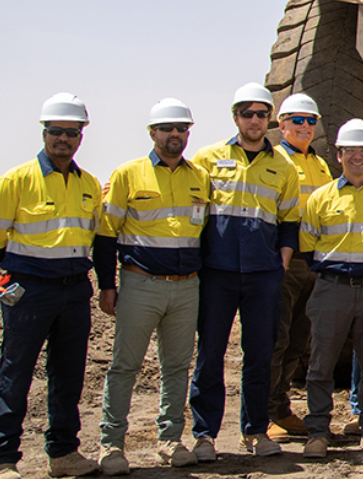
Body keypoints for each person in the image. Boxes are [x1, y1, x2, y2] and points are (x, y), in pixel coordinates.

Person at [0, 93, 104, 479]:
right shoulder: (15, 181)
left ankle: (63, 453)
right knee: (16, 372)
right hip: (30, 290)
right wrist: (28, 270)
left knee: (69, 375)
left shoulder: (89, 185)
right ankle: (2, 460)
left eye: (71, 132)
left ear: (81, 135)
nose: (63, 138)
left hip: (74, 290)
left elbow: (94, 237)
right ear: (44, 133)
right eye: (55, 131)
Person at [95, 99, 210, 474]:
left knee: (177, 367)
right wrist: (107, 286)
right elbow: (105, 235)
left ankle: (170, 439)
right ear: (152, 132)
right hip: (140, 284)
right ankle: (111, 445)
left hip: (186, 287)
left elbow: (205, 235)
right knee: (125, 366)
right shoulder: (128, 175)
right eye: (167, 128)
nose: (175, 134)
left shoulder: (199, 178)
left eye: (182, 128)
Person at [190, 83, 300, 461]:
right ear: (235, 116)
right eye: (247, 113)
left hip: (263, 275)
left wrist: (281, 263)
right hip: (216, 273)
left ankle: (255, 430)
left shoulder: (284, 166)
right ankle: (205, 435)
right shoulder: (207, 158)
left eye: (261, 113)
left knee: (259, 355)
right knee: (210, 354)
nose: (254, 120)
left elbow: (289, 223)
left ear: (270, 119)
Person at [298, 120, 363, 459]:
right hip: (332, 289)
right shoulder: (320, 198)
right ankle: (317, 431)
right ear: (338, 154)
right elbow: (307, 246)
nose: (358, 157)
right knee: (320, 365)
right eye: (350, 150)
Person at [268, 93, 330, 437]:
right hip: (285, 261)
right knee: (275, 337)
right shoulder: (274, 160)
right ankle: (265, 413)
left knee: (297, 339)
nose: (306, 127)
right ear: (282, 125)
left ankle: (281, 407)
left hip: (313, 260)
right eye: (298, 120)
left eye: (311, 121)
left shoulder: (319, 164)